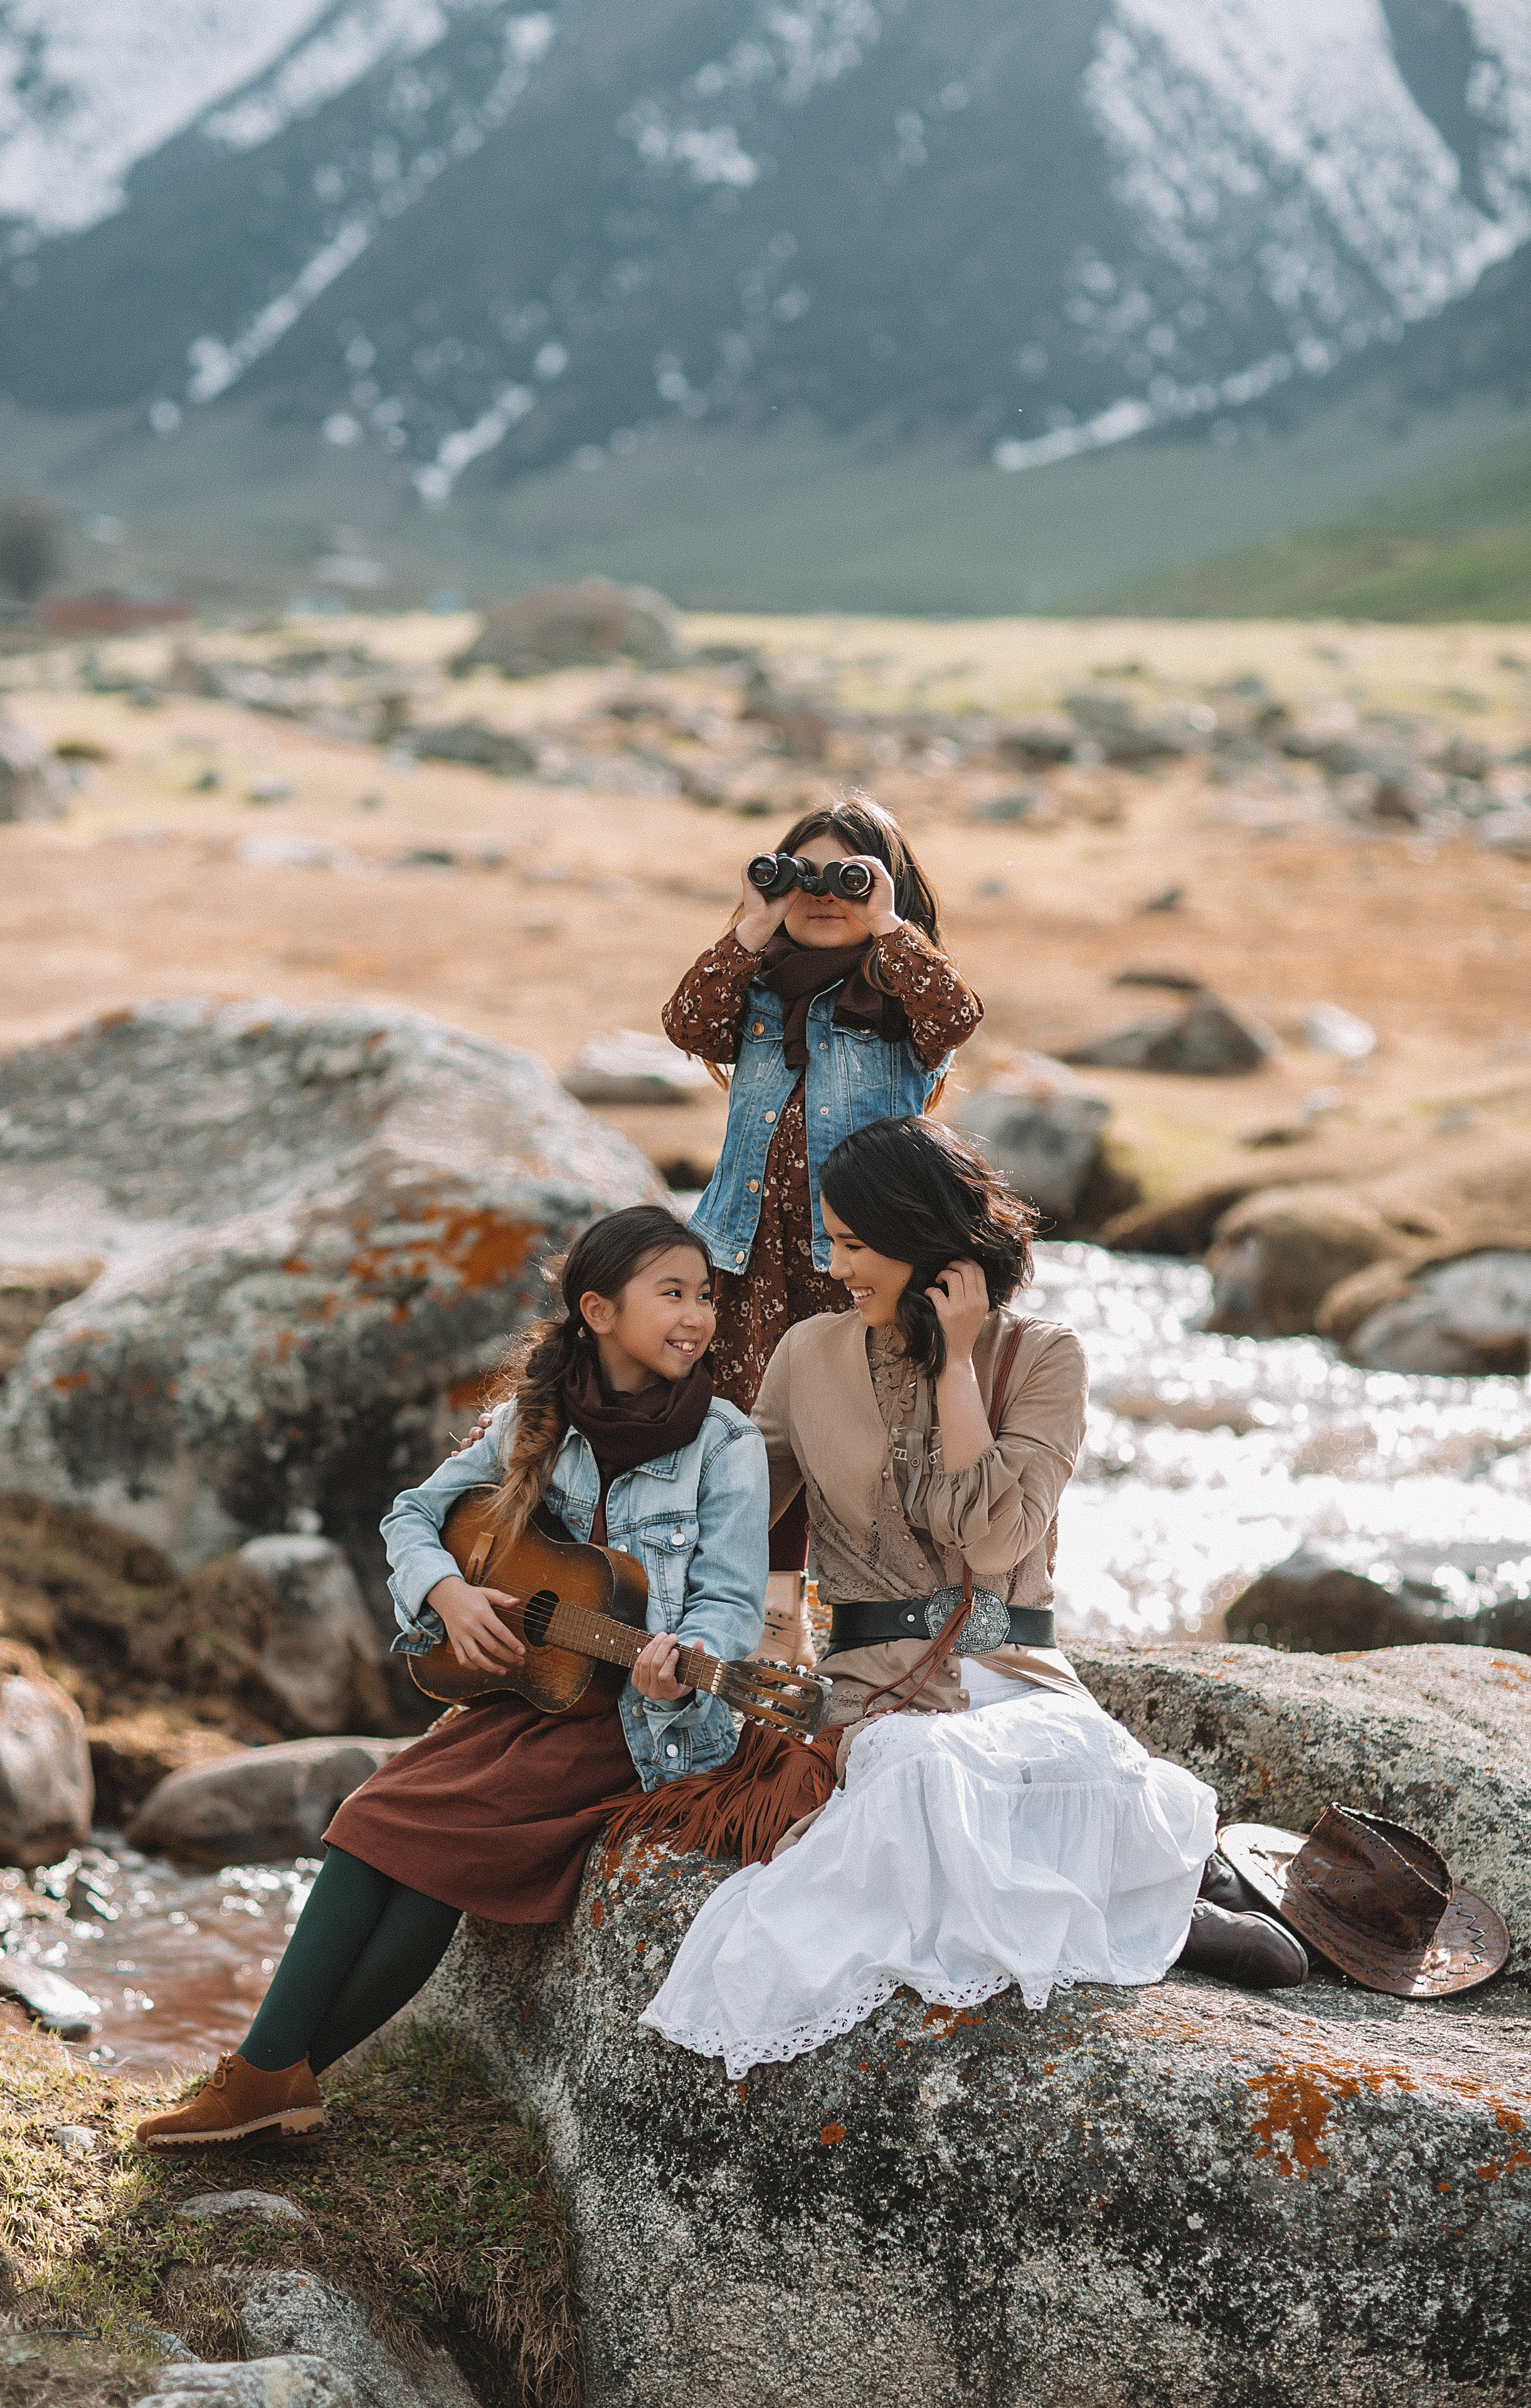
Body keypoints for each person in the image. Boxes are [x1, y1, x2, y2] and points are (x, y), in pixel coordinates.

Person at [630, 1119, 1307, 2084]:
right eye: (832, 1240)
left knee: (1070, 1756)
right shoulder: (808, 1354)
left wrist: (953, 1367)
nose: (836, 1266)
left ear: (929, 1246)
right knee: (911, 1772)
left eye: (858, 1245)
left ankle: (1158, 1901)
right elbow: (730, 1516)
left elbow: (992, 1539)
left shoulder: (1042, 1358)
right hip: (876, 1690)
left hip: (1012, 1668)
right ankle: (1145, 1907)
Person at [135, 1204, 768, 2148]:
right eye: (672, 1293)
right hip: (536, 1696)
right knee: (379, 1825)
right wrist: (450, 1599)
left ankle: (270, 2076)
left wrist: (682, 1668)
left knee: (397, 1826)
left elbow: (730, 1605)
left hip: (638, 1724)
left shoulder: (724, 1443)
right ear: (598, 1311)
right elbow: (410, 1518)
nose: (698, 1315)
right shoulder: (530, 1420)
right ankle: (275, 2079)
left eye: (706, 1296)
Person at [662, 792, 982, 1650]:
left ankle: (868, 1618)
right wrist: (751, 924)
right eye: (803, 875)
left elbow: (959, 1014)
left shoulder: (901, 1002)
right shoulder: (759, 994)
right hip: (750, 1252)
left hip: (859, 1259)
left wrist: (888, 927)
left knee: (853, 1437)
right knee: (749, 1433)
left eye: (849, 876)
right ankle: (770, 1615)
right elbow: (685, 1022)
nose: (822, 893)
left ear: (889, 890)